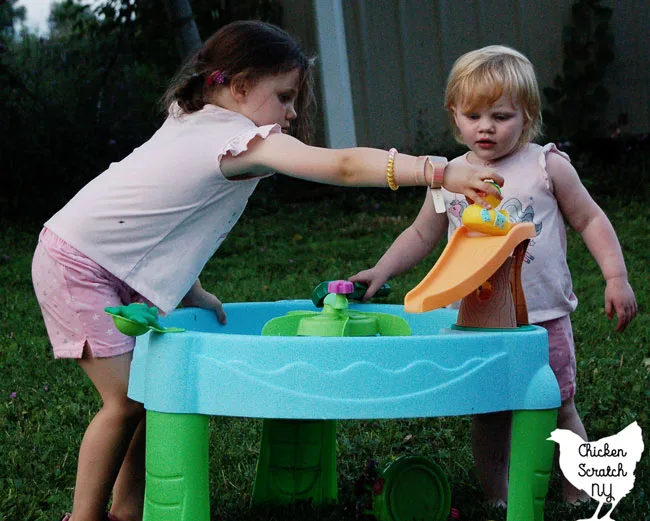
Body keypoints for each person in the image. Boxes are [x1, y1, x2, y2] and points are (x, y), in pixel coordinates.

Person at [31, 21, 502, 521]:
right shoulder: (238, 139)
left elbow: (158, 215)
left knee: (151, 392)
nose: (291, 111)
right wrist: (440, 171)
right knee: (126, 401)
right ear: (237, 87)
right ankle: (82, 517)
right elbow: (340, 166)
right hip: (78, 261)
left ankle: (126, 513)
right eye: (283, 96)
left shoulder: (192, 119)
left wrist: (190, 290)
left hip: (110, 259)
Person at [350, 45, 637, 506]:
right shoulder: (448, 175)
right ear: (454, 117)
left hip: (541, 317)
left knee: (558, 405)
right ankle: (497, 497)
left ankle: (577, 492)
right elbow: (422, 234)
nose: (486, 126)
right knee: (490, 414)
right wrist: (382, 270)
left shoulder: (547, 166)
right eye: (474, 114)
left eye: (501, 115)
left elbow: (590, 219)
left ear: (527, 115)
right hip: (476, 321)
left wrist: (616, 277)